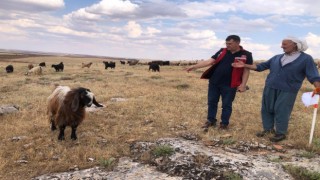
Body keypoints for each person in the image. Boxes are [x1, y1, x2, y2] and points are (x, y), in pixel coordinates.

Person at [232, 36, 320, 142]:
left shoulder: (306, 59)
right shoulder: (277, 57)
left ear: (295, 45)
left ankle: (280, 133)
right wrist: (244, 65)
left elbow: (313, 75)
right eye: (282, 44)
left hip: (288, 88)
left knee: (282, 109)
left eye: (285, 44)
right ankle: (268, 130)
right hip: (270, 86)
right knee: (267, 108)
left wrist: (318, 87)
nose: (282, 46)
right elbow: (261, 67)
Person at [185, 35, 253, 131]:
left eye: (230, 43)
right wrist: (194, 67)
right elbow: (209, 61)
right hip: (214, 82)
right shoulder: (222, 51)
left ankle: (224, 124)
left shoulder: (246, 54)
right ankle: (210, 120)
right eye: (226, 43)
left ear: (238, 43)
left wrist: (243, 85)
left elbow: (246, 70)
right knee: (212, 102)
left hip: (230, 84)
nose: (227, 45)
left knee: (226, 105)